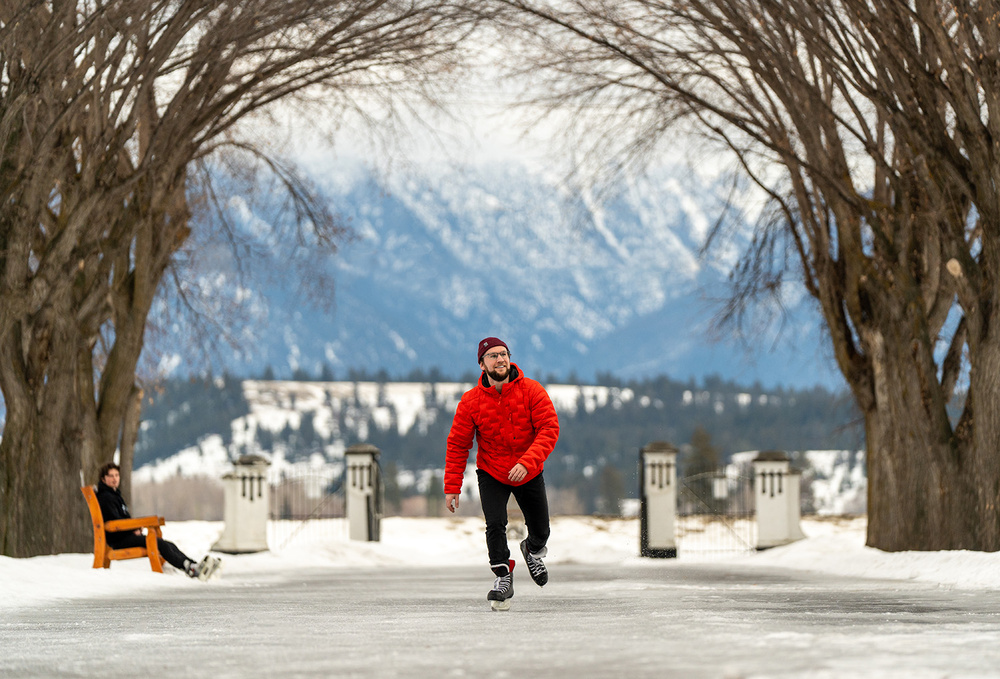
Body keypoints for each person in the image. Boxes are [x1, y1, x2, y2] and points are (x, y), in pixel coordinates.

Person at [444, 337, 560, 607]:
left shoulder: (532, 391)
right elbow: (458, 444)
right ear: (482, 364)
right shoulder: (471, 401)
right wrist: (452, 486)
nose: (501, 359)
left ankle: (531, 550)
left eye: (504, 354)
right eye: (493, 356)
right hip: (492, 471)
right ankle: (502, 576)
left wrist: (527, 462)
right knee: (495, 524)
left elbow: (549, 429)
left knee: (541, 530)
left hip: (528, 470)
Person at [95, 462, 219, 579]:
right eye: (110, 476)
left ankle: (193, 565)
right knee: (159, 544)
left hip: (125, 535)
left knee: (167, 544)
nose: (114, 478)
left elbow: (122, 519)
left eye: (116, 475)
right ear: (103, 479)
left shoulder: (114, 495)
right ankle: (190, 568)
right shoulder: (106, 498)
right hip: (119, 540)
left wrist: (135, 528)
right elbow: (114, 523)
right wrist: (133, 529)